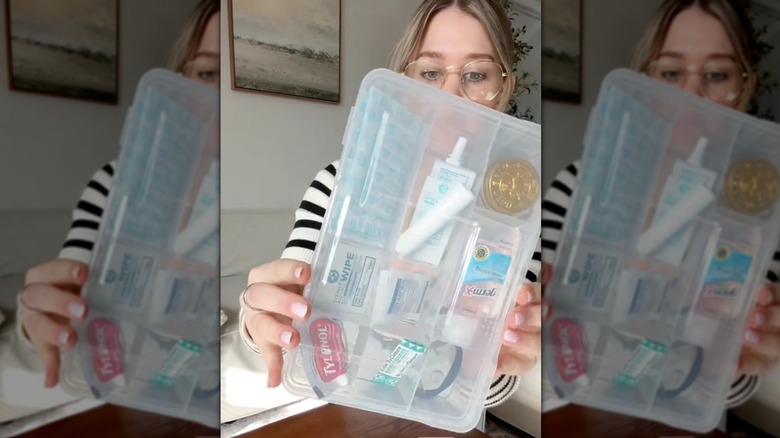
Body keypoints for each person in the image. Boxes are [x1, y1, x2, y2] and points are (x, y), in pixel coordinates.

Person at [239, 0, 545, 408]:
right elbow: (286, 329)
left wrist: (498, 362)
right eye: (431, 73)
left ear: (503, 88)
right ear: (406, 82)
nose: (450, 95)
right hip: (332, 414)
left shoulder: (518, 217)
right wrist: (256, 320)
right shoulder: (339, 183)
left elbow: (486, 392)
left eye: (476, 75)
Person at [541, 0, 776, 407]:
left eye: (716, 75)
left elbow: (724, 394)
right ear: (645, 82)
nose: (691, 95)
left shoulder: (758, 221)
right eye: (670, 72)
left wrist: (732, 364)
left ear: (745, 88)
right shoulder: (579, 186)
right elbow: (533, 362)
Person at [15, 0, 220, 389]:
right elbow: (64, 300)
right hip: (111, 398)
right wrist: (37, 319)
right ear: (181, 83)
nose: (221, 99)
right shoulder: (112, 183)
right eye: (208, 72)